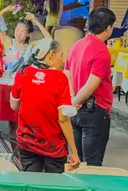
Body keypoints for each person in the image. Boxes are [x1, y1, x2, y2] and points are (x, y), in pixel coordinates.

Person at [9, 39, 78, 173]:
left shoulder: (23, 73)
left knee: (31, 186)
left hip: (27, 142)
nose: (62, 61)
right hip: (53, 147)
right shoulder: (59, 78)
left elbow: (14, 105)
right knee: (52, 189)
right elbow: (63, 119)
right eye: (61, 55)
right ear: (51, 56)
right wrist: (74, 151)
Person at [65, 7, 118, 167]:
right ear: (108, 29)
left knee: (76, 162)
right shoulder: (102, 51)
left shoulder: (76, 45)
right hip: (94, 111)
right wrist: (77, 100)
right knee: (92, 164)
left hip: (75, 112)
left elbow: (67, 74)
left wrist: (73, 99)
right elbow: (92, 84)